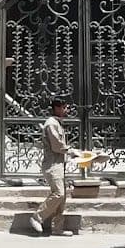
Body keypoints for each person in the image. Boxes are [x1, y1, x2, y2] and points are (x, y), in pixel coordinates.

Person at [29, 97, 79, 236]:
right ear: (57, 108)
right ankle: (37, 217)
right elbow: (57, 146)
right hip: (52, 165)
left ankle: (57, 228)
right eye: (64, 107)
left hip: (58, 164)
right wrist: (71, 151)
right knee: (58, 194)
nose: (66, 110)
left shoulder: (57, 123)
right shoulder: (51, 124)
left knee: (62, 199)